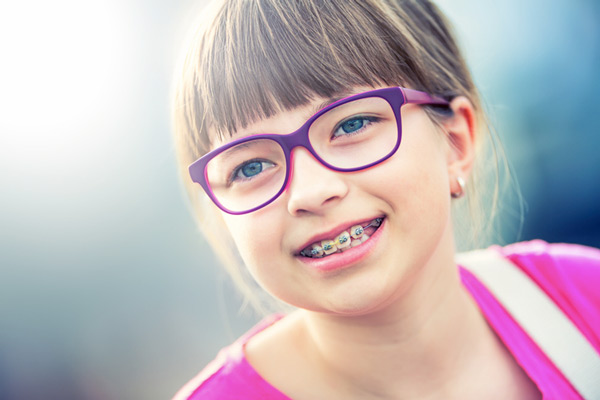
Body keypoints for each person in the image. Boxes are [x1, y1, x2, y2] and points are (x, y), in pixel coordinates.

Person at [171, 0, 600, 398]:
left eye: (353, 124)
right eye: (249, 168)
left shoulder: (585, 302)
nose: (311, 192)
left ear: (455, 143)